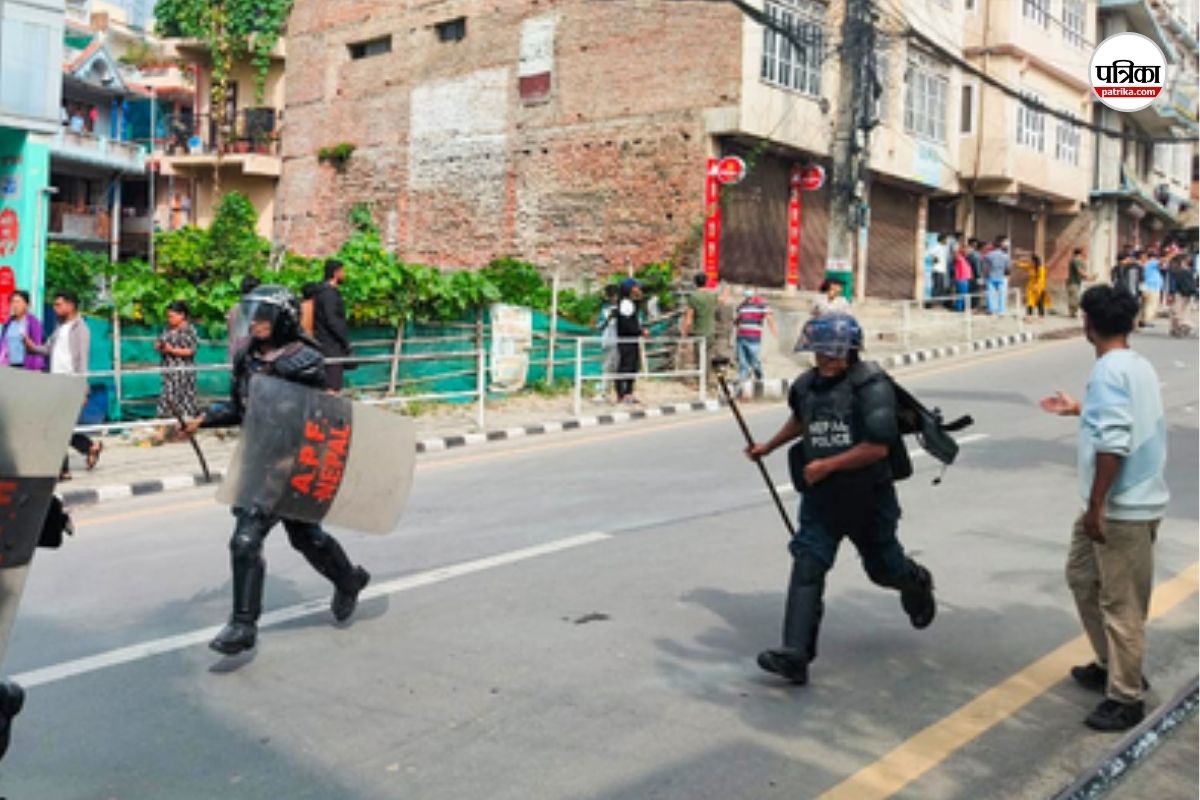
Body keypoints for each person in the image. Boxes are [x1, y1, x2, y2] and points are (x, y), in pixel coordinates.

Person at [746, 313, 936, 685]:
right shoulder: (805, 385)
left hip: (869, 497)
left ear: (851, 351)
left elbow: (878, 448)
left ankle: (916, 581)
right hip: (822, 498)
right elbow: (804, 420)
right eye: (819, 353)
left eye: (832, 354)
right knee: (807, 564)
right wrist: (768, 446)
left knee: (883, 570)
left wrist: (828, 465)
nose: (824, 360)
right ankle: (796, 655)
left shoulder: (871, 386)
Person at [184, 285, 371, 655]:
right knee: (251, 540)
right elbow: (241, 407)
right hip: (260, 462)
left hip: (295, 461)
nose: (256, 324)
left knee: (302, 538)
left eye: (264, 317)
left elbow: (318, 417)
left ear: (283, 319)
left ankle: (347, 581)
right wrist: (203, 419)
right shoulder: (248, 359)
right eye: (253, 316)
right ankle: (243, 625)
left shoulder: (305, 361)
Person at [1039, 286, 1167, 731]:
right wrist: (1079, 409)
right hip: (1118, 502)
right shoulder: (1134, 364)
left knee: (1121, 603)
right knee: (1081, 577)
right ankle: (1110, 664)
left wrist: (1097, 507)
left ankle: (1127, 695)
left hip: (1120, 507)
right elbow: (1120, 420)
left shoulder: (1111, 371)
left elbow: (1114, 444)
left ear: (1088, 325)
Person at [24, 291, 101, 479]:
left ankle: (63, 470)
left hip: (70, 385)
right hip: (55, 383)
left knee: (57, 428)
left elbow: (82, 362)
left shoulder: (81, 329)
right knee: (59, 427)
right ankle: (89, 447)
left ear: (71, 306)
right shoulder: (60, 327)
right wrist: (32, 347)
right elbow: (48, 349)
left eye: (59, 305)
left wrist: (82, 390)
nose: (55, 308)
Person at [153, 301, 199, 443]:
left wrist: (172, 350)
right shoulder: (167, 330)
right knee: (167, 398)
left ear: (182, 315)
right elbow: (159, 342)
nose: (169, 319)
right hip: (169, 372)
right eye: (168, 316)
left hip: (183, 373)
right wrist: (160, 346)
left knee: (185, 402)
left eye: (172, 316)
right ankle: (163, 431)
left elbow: (191, 350)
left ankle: (184, 431)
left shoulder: (190, 330)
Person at [312, 259, 353, 392]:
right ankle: (330, 412)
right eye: (343, 271)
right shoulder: (329, 294)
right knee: (333, 386)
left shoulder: (320, 292)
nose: (344, 274)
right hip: (331, 346)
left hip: (323, 343)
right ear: (336, 273)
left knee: (328, 385)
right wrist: (344, 340)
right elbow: (332, 320)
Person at [614, 278, 647, 404]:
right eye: (635, 287)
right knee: (626, 367)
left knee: (632, 366)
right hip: (626, 340)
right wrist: (639, 331)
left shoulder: (630, 303)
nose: (638, 289)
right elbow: (627, 325)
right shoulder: (625, 304)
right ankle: (622, 393)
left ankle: (628, 392)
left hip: (631, 339)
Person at [734, 288, 777, 384]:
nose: (748, 297)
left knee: (755, 362)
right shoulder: (742, 306)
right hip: (741, 338)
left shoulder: (762, 305)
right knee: (742, 363)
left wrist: (774, 332)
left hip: (753, 339)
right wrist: (736, 323)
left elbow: (769, 318)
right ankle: (742, 385)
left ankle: (760, 378)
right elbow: (738, 319)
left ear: (755, 294)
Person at [0, 291, 45, 370]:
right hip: (8, 365)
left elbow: (38, 345)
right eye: (12, 302)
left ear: (26, 305)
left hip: (26, 366)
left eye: (18, 302)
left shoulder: (33, 323)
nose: (15, 305)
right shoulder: (8, 323)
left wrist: (37, 367)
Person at [226, 275, 261, 362]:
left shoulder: (233, 309)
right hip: (249, 358)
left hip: (234, 356)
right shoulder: (256, 309)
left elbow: (230, 330)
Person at [594, 284, 620, 401]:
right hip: (608, 341)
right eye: (612, 296)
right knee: (607, 368)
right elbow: (599, 326)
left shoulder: (623, 308)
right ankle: (603, 392)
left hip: (621, 341)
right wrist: (608, 319)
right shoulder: (605, 309)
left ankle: (619, 393)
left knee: (619, 368)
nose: (614, 298)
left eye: (616, 296)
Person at [983, 236, 1011, 314]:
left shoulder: (988, 255)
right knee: (1002, 294)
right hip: (1001, 276)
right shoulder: (1005, 256)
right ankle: (1001, 310)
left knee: (991, 294)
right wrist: (1007, 275)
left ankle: (991, 309)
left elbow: (985, 268)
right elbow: (1008, 268)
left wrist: (985, 276)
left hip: (991, 276)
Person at [1138, 249, 1163, 328]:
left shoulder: (1140, 264)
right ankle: (1146, 320)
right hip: (1153, 287)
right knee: (1151, 304)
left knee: (1144, 304)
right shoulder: (1151, 262)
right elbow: (1162, 261)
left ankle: (1141, 319)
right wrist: (1173, 254)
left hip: (1145, 286)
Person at [1066, 247, 1089, 318]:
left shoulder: (1077, 260)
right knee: (1075, 298)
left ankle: (1073, 313)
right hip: (1073, 282)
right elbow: (1079, 271)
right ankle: (1073, 313)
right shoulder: (1076, 260)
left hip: (1076, 282)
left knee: (1075, 298)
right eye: (1083, 252)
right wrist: (1088, 277)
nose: (1085, 254)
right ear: (1080, 253)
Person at [1023, 254, 1048, 319]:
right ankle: (1029, 316)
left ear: (1034, 261)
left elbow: (1041, 278)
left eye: (1031, 261)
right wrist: (1018, 261)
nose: (1030, 262)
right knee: (1029, 302)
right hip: (1031, 288)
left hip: (1039, 288)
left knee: (1040, 302)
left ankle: (1041, 316)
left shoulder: (1041, 268)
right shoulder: (1031, 267)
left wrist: (1037, 285)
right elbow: (1023, 265)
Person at [926, 234, 948, 305]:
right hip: (937, 270)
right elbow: (930, 253)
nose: (946, 241)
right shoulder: (937, 247)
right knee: (937, 287)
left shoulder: (942, 248)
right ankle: (932, 303)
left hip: (941, 270)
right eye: (945, 239)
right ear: (942, 240)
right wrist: (935, 260)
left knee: (941, 287)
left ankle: (939, 303)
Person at [953, 242, 973, 312]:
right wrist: (959, 249)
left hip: (965, 278)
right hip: (961, 278)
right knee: (962, 294)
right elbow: (956, 254)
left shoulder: (965, 258)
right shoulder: (959, 257)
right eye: (967, 250)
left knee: (963, 294)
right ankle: (959, 308)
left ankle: (961, 307)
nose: (968, 252)